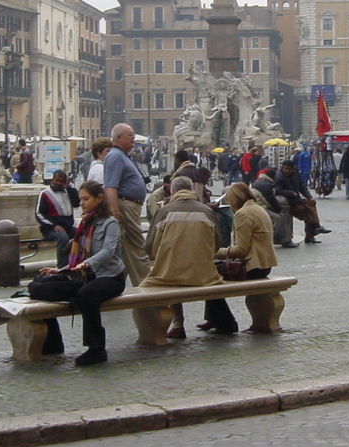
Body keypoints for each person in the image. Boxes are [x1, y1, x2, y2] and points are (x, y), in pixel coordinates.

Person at [35, 181, 126, 366]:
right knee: (42, 285)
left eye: (86, 199)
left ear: (99, 199)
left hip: (109, 277)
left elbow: (107, 252)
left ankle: (96, 349)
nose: (81, 203)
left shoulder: (111, 223)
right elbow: (76, 257)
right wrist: (61, 270)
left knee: (87, 294)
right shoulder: (84, 223)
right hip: (85, 275)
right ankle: (53, 343)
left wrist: (86, 264)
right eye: (80, 199)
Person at [142, 175, 236, 337]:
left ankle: (175, 324)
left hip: (170, 274)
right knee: (208, 275)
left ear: (172, 191)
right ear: (192, 190)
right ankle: (223, 321)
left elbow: (150, 246)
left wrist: (163, 255)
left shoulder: (164, 211)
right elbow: (216, 242)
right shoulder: (207, 211)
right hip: (204, 275)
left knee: (158, 279)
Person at [104, 123, 150, 285]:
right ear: (118, 138)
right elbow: (110, 186)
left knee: (126, 250)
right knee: (136, 247)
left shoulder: (121, 155)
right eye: (130, 135)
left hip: (129, 205)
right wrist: (115, 212)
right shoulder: (116, 156)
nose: (133, 138)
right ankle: (147, 286)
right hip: (126, 205)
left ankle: (113, 284)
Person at [219, 183, 277, 282]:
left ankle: (216, 297)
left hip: (251, 267)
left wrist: (217, 252)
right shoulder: (258, 209)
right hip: (265, 265)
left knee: (210, 274)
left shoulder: (243, 213)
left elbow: (241, 250)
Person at [275, 160, 331, 244]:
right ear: (282, 167)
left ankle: (314, 230)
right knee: (308, 213)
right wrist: (290, 193)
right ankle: (314, 230)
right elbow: (277, 190)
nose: (286, 171)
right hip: (289, 202)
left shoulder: (295, 173)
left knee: (311, 204)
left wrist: (309, 197)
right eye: (285, 169)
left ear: (293, 169)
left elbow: (302, 187)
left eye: (289, 169)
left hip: (296, 199)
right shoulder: (279, 177)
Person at [36, 170, 80, 267]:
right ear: (52, 179)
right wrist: (53, 225)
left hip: (68, 227)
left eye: (61, 181)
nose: (58, 183)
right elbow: (39, 213)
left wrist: (69, 188)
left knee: (82, 234)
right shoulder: (45, 193)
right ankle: (62, 266)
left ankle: (78, 261)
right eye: (56, 180)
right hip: (50, 229)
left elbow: (77, 203)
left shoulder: (68, 192)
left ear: (65, 181)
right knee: (63, 237)